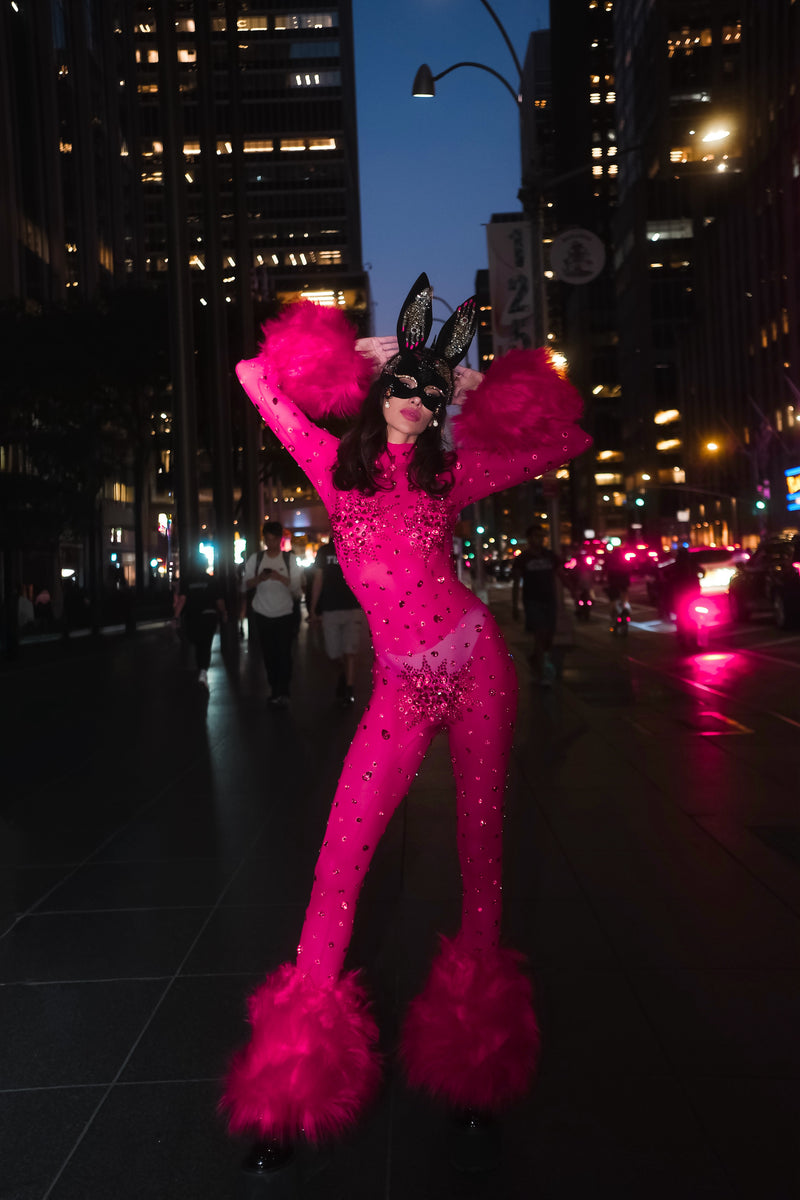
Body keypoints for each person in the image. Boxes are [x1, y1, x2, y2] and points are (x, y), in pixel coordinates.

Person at [222, 274, 591, 1153]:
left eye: (434, 395)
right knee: (339, 859)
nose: (421, 404)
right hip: (398, 686)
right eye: (410, 389)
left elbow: (569, 441)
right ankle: (289, 1090)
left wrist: (475, 386)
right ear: (381, 392)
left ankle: (477, 1066)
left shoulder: (450, 476)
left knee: (480, 855)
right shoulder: (330, 464)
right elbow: (250, 374)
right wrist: (359, 356)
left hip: (477, 670)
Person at [243, 520, 303, 707]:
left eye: (274, 539)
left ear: (280, 539)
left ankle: (283, 689)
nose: (271, 543)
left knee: (284, 653)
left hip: (284, 613)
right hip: (262, 612)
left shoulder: (289, 559)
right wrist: (260, 578)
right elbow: (246, 583)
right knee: (269, 654)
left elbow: (296, 587)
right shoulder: (256, 559)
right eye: (267, 539)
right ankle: (275, 688)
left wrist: (279, 577)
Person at [309, 538, 363, 705]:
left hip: (352, 607)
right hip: (330, 608)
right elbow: (318, 580)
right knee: (333, 654)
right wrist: (313, 608)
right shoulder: (324, 551)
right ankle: (344, 675)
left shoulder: (356, 549)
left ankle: (349, 690)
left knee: (350, 652)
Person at [511, 524, 560, 685]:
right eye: (536, 536)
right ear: (530, 538)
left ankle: (535, 659)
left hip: (550, 600)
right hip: (532, 601)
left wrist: (573, 590)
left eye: (542, 536)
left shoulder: (549, 556)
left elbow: (560, 574)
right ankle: (543, 673)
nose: (540, 539)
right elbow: (516, 582)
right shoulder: (522, 559)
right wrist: (515, 606)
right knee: (540, 635)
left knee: (549, 637)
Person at [173, 553, 227, 689]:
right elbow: (219, 600)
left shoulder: (187, 581)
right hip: (209, 616)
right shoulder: (212, 580)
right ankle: (203, 671)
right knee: (206, 644)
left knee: (197, 642)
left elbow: (182, 600)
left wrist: (176, 616)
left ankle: (201, 669)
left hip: (193, 617)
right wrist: (224, 612)